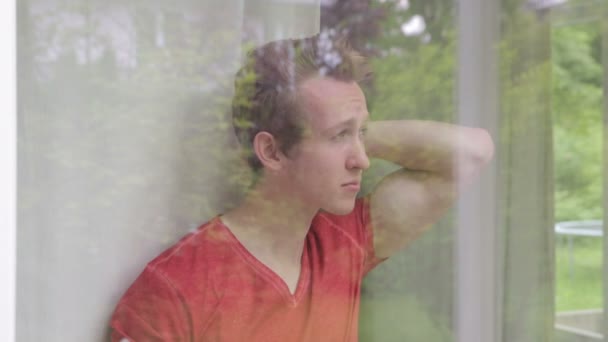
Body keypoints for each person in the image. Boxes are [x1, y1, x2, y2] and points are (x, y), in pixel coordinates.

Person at [109, 33, 494, 341]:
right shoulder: (174, 290)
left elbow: (473, 152)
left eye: (362, 136)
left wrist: (350, 130)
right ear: (272, 151)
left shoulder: (347, 244)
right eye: (339, 138)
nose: (362, 159)